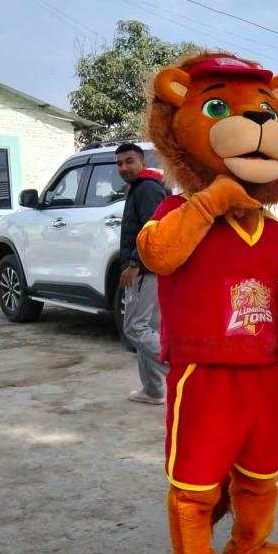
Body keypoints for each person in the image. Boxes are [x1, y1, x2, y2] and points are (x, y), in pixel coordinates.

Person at [116, 142, 169, 404]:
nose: (124, 167)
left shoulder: (146, 189)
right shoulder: (144, 187)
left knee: (135, 328)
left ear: (141, 162)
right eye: (119, 163)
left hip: (145, 271)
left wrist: (134, 264)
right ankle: (153, 390)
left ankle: (178, 371)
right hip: (154, 270)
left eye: (129, 161)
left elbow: (153, 230)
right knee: (149, 328)